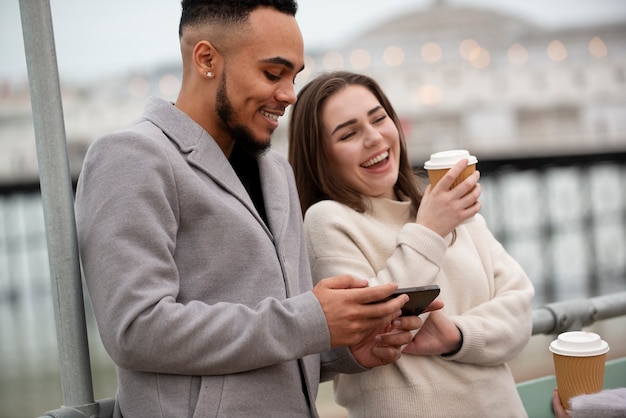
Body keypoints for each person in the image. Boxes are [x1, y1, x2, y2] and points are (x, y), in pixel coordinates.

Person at [74, 3, 429, 417]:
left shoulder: (276, 170)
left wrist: (345, 349)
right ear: (206, 59)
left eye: (293, 77)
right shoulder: (132, 156)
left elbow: (283, 332)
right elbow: (136, 330)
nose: (290, 95)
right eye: (272, 74)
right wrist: (311, 320)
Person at [288, 70, 536, 417]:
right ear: (320, 156)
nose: (374, 138)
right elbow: (368, 326)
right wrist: (430, 231)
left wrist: (456, 336)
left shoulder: (448, 210)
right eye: (349, 134)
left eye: (379, 119)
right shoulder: (327, 220)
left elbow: (519, 312)